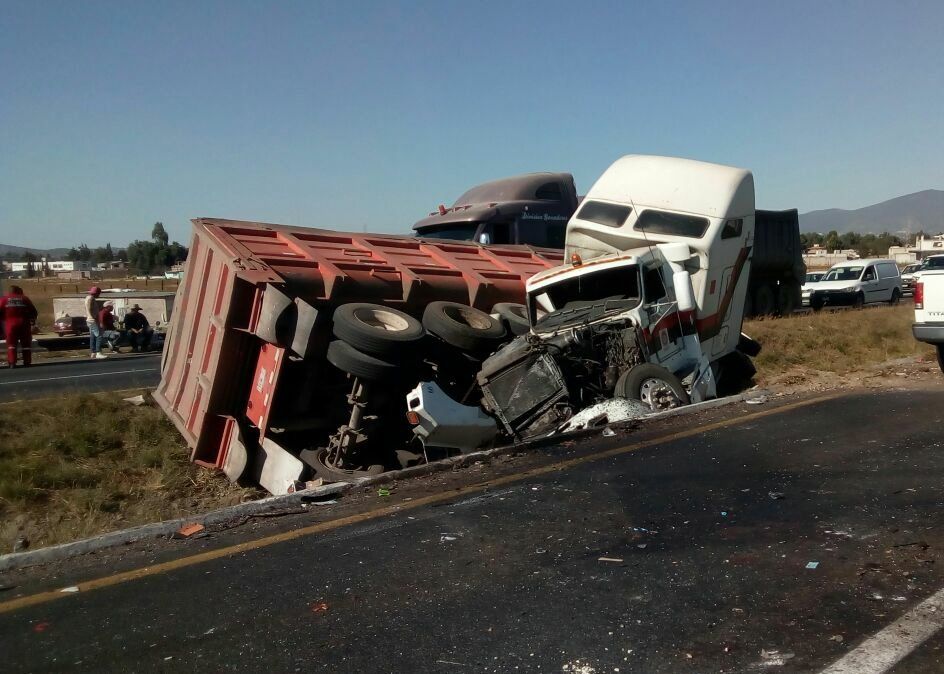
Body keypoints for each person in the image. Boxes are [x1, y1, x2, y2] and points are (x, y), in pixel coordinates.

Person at [0, 285, 39, 368]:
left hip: (10, 324)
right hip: (24, 324)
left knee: (11, 344)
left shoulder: (4, 299)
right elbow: (33, 311)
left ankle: (12, 363)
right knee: (26, 344)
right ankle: (27, 362)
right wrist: (32, 321)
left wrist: (3, 319)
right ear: (19, 291)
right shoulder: (25, 299)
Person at [85, 286, 107, 359]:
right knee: (99, 335)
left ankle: (93, 352)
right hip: (92, 319)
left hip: (90, 319)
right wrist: (93, 317)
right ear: (96, 293)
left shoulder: (88, 298)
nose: (99, 295)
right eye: (99, 293)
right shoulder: (91, 298)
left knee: (93, 336)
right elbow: (89, 308)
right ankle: (98, 352)